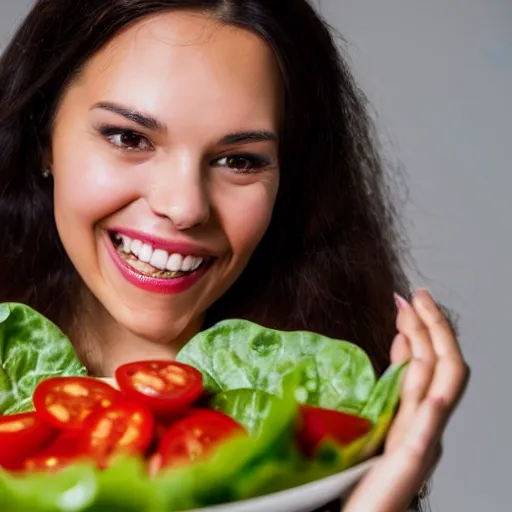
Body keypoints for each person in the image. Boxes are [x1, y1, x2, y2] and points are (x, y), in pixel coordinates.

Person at [0, 0, 469, 510]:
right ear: (43, 136)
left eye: (239, 161)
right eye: (128, 138)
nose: (184, 207)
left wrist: (380, 495)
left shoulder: (325, 434)